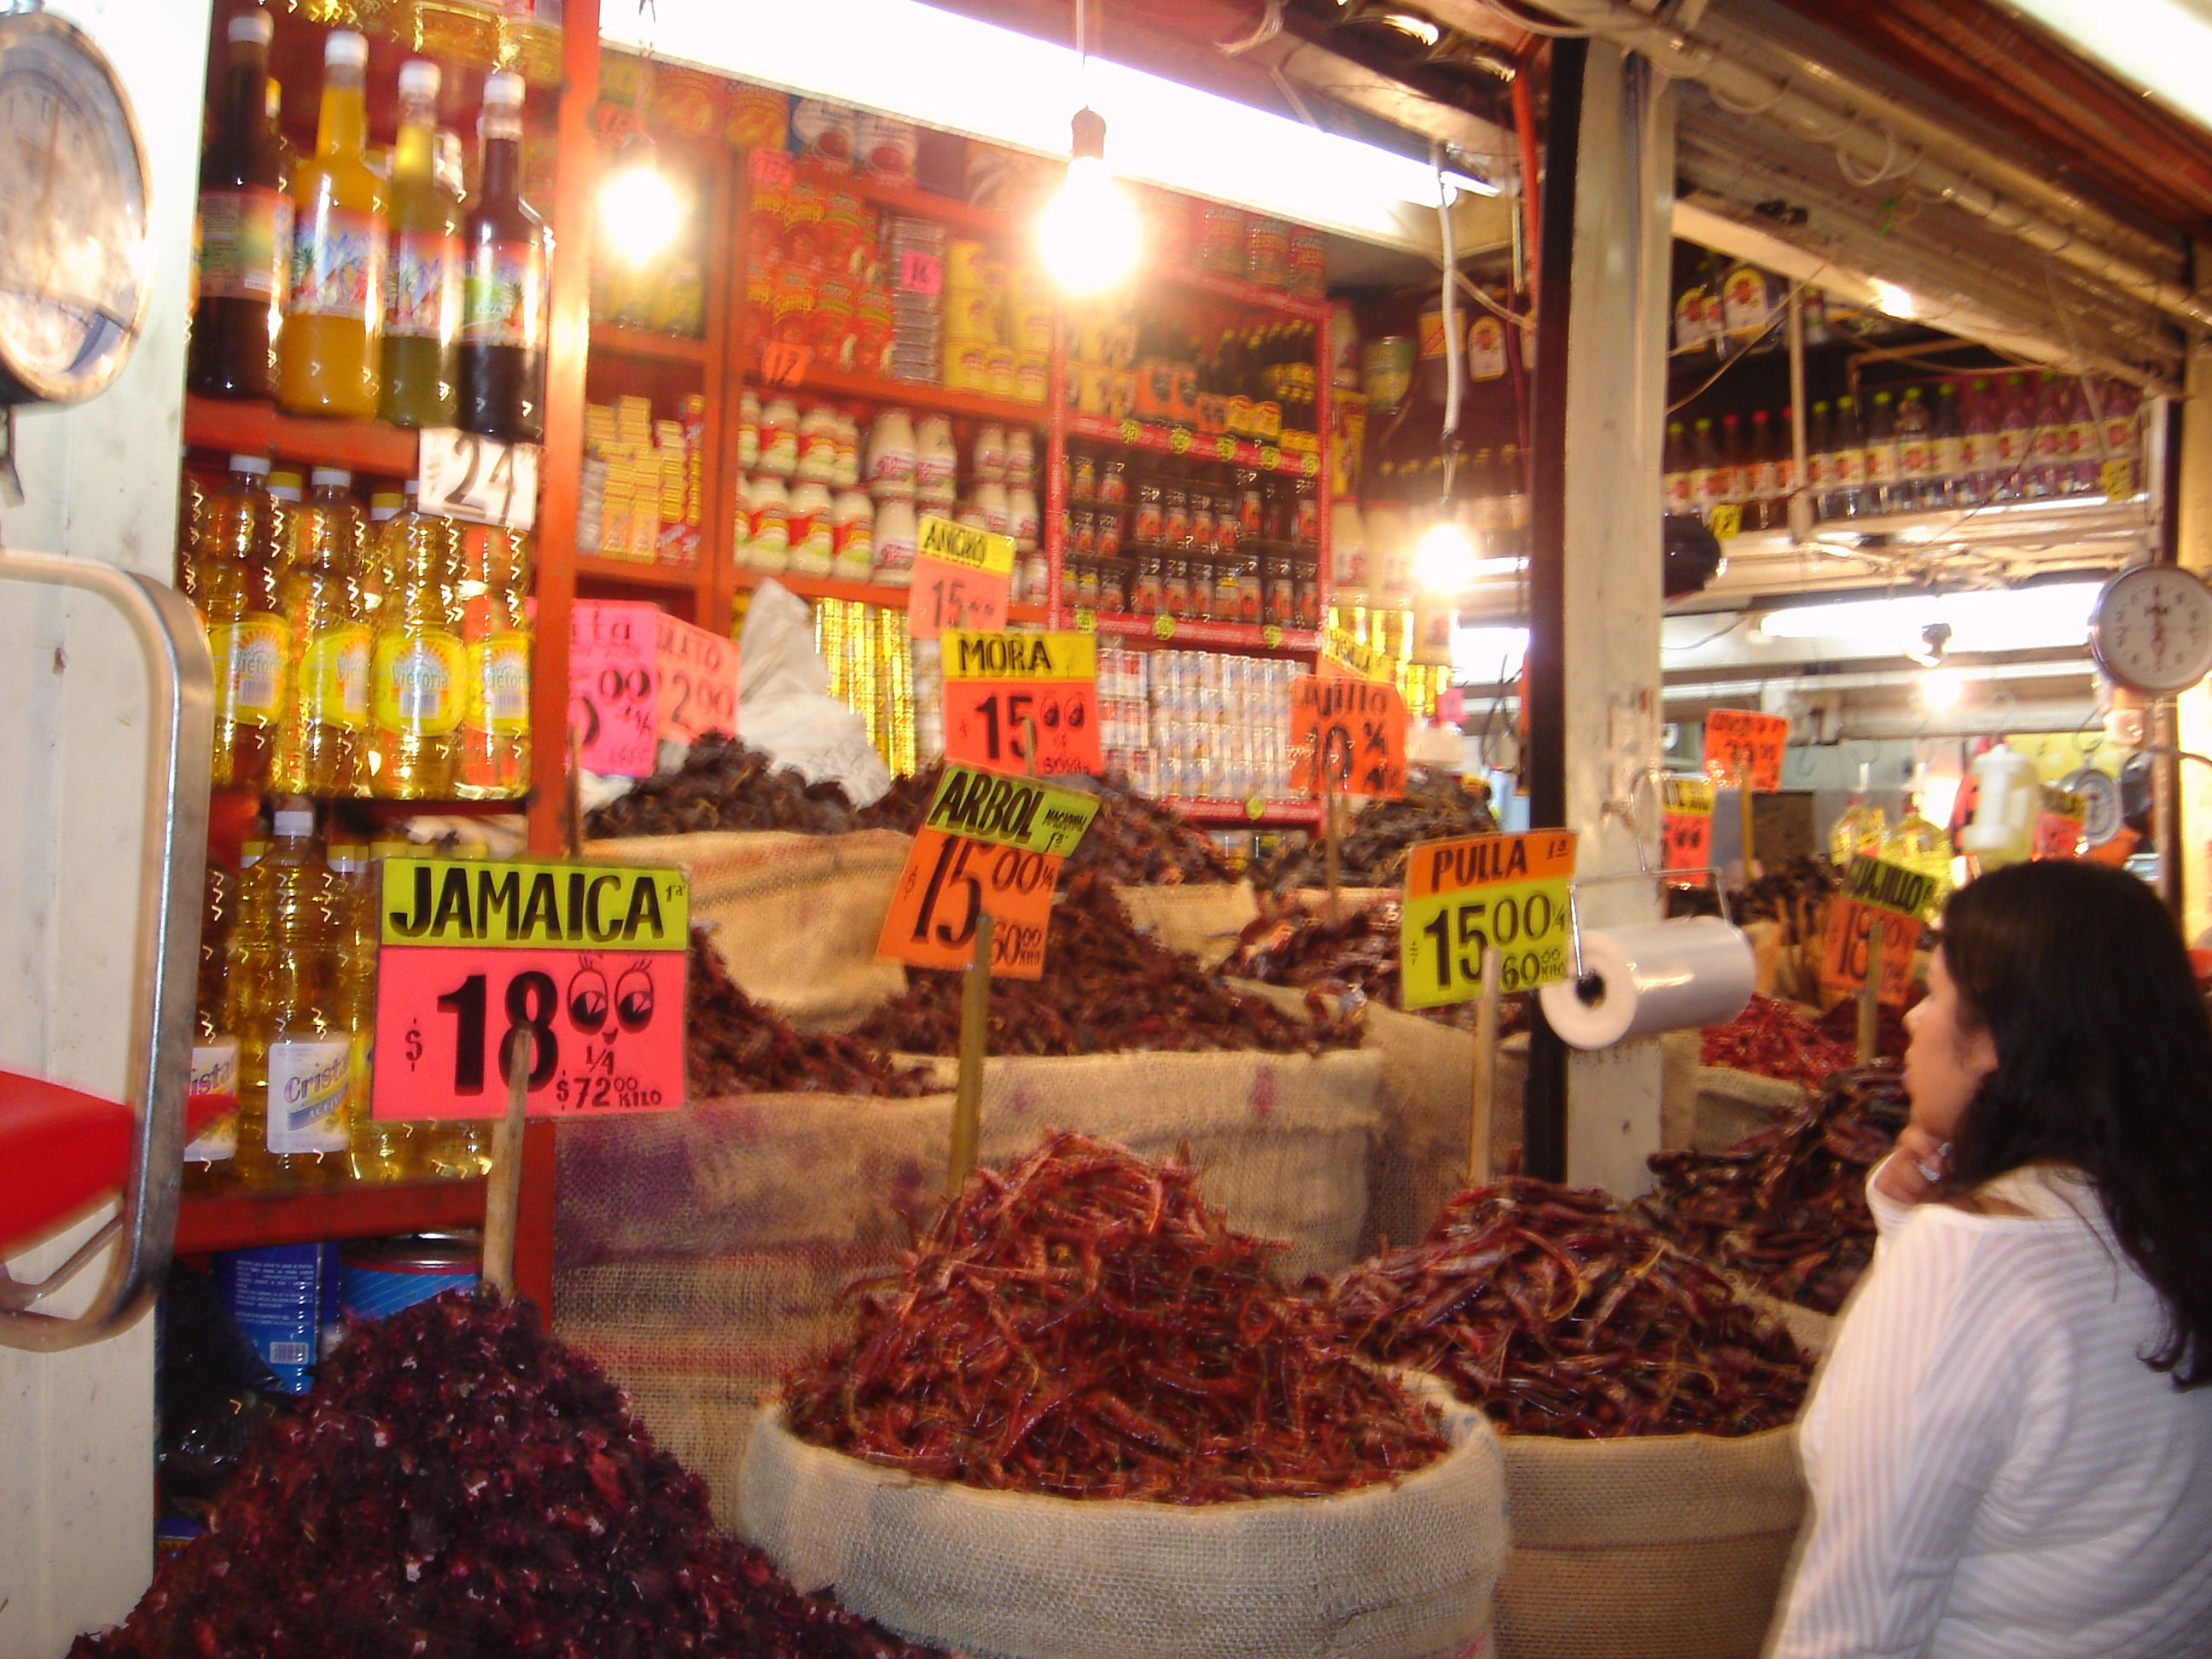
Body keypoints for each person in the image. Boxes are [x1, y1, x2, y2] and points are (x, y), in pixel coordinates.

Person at [1767, 859, 2212, 1658]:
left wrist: (1929, 1248)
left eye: (1935, 993)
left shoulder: (1969, 1262)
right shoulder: (2168, 1212)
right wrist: (1911, 1225)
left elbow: (1863, 1612)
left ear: (1995, 1042)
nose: (1910, 1019)